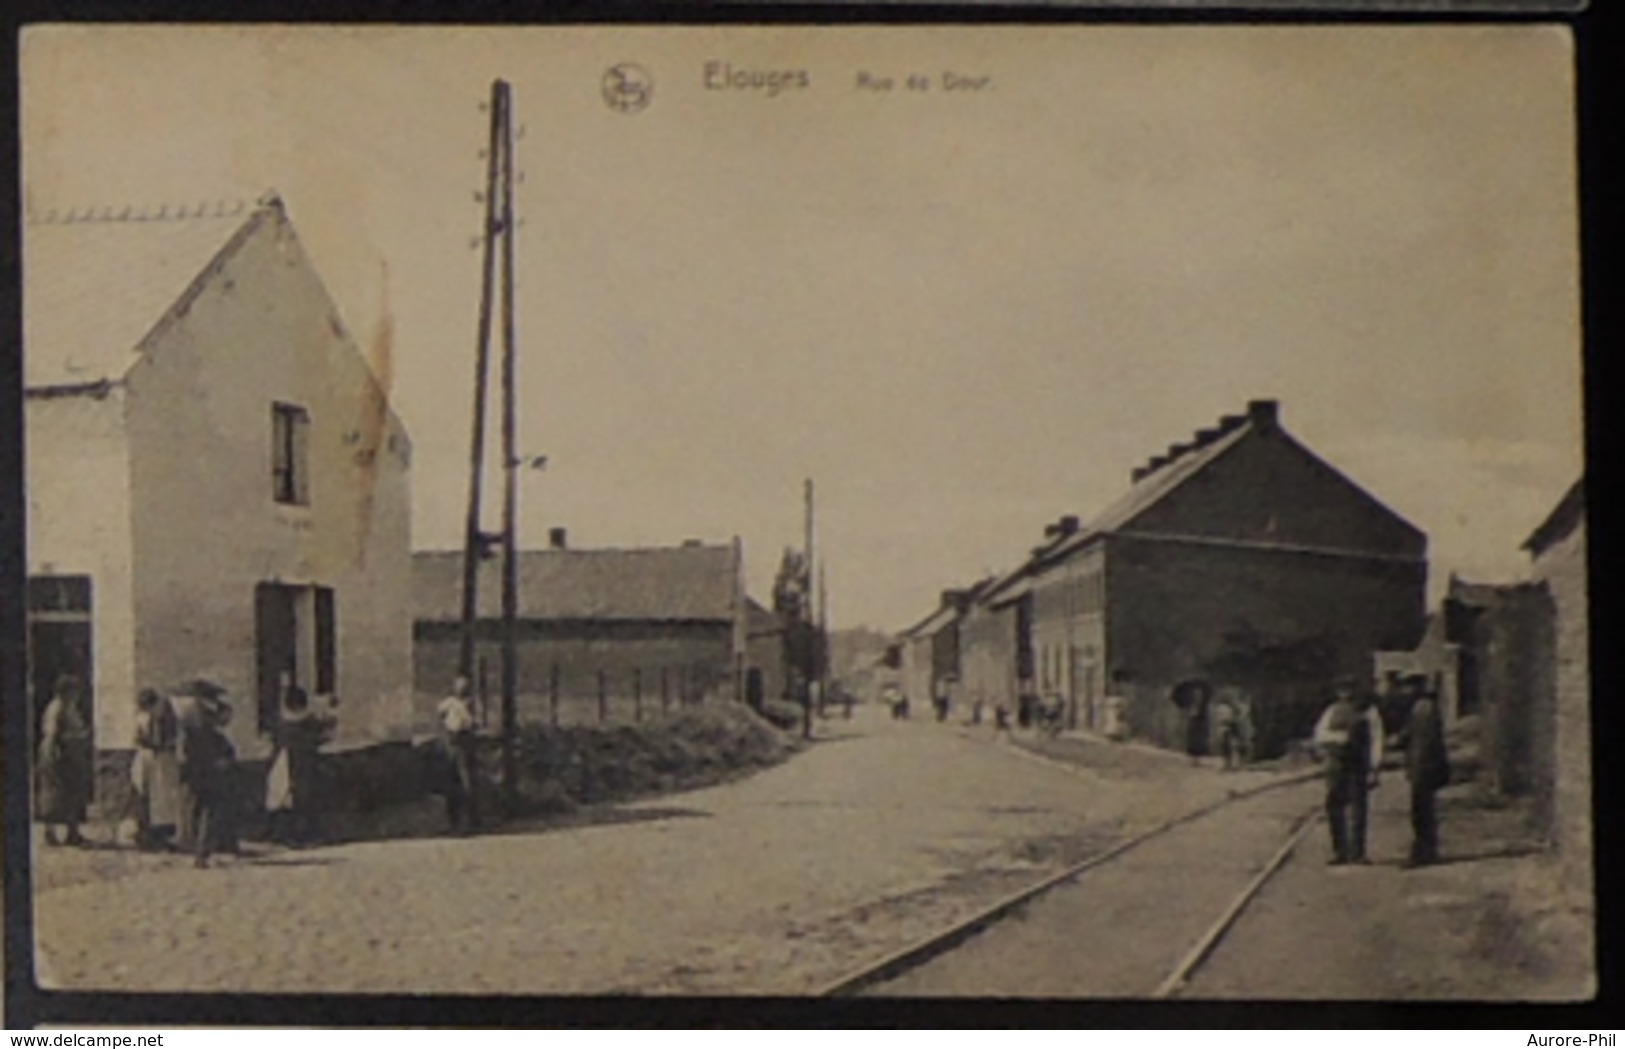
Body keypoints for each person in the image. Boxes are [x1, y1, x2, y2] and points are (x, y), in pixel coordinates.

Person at [1313, 675, 1385, 865]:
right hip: (1336, 764)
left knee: (1358, 808)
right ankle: (1339, 851)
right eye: (1343, 690)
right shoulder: (1331, 711)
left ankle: (1358, 852)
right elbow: (1320, 735)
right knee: (1334, 806)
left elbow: (1377, 739)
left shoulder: (1369, 712)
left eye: (1350, 689)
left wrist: (1375, 767)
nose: (1346, 694)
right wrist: (1338, 738)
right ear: (1338, 693)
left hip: (1358, 764)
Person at [266, 676, 335, 846]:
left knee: (282, 800)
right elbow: (321, 737)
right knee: (305, 801)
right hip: (304, 766)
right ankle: (304, 836)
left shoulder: (281, 723)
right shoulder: (308, 722)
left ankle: (283, 835)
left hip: (282, 765)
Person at [179, 687, 239, 869]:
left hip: (195, 775)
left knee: (196, 812)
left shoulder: (189, 729)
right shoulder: (209, 734)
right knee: (208, 812)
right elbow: (223, 753)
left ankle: (197, 850)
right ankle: (202, 852)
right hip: (209, 776)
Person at [1399, 675, 1451, 868]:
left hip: (1424, 767)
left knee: (1422, 811)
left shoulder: (1423, 708)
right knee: (1423, 811)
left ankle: (1424, 852)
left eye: (1406, 687)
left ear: (1415, 688)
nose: (1403, 692)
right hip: (1422, 766)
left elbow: (1424, 743)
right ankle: (1426, 850)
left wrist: (1417, 768)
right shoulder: (1421, 708)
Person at [37, 675, 93, 847]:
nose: (76, 696)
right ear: (66, 692)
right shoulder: (57, 708)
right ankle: (50, 832)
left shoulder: (69, 708)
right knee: (55, 793)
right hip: (60, 755)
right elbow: (52, 734)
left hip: (71, 755)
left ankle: (72, 832)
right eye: (73, 692)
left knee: (73, 793)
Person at [130, 688, 182, 850]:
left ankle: (149, 834)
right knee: (157, 798)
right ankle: (152, 835)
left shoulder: (143, 718)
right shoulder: (150, 718)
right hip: (156, 759)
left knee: (152, 797)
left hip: (150, 758)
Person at [437, 676, 480, 834]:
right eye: (459, 687)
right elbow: (440, 715)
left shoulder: (469, 705)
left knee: (466, 782)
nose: (462, 690)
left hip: (464, 742)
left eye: (465, 687)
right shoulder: (449, 703)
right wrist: (444, 735)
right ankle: (452, 822)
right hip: (451, 742)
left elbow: (471, 724)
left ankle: (467, 822)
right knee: (450, 783)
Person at [1211, 691, 1240, 771]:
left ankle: (1231, 765)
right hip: (1226, 728)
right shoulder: (1228, 708)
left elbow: (1221, 718)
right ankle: (1230, 765)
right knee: (1228, 748)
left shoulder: (1222, 708)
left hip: (1226, 728)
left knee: (1229, 748)